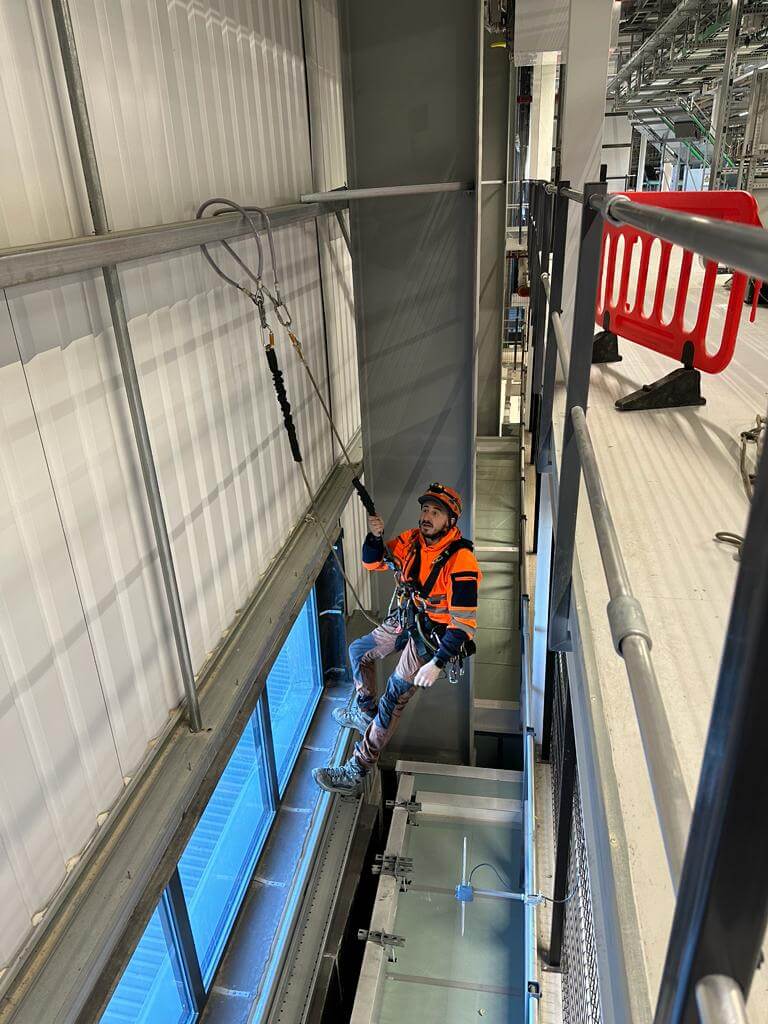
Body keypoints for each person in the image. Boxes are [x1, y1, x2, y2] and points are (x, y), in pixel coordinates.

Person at [313, 483, 482, 796]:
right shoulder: (412, 541)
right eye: (425, 509)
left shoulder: (462, 562)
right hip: (409, 618)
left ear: (450, 521)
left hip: (432, 638)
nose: (427, 516)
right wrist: (375, 537)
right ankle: (366, 713)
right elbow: (372, 562)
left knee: (393, 698)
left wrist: (436, 663)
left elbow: (463, 625)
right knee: (359, 651)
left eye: (436, 512)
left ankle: (356, 770)